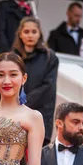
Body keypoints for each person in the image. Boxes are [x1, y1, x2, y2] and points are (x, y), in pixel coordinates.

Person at [13, 17, 58, 145]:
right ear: (20, 34)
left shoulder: (49, 57)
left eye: (34, 31)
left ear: (39, 34)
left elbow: (49, 87)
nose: (30, 35)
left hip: (40, 114)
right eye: (26, 32)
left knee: (36, 161)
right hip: (16, 114)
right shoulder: (13, 57)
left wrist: (23, 102)